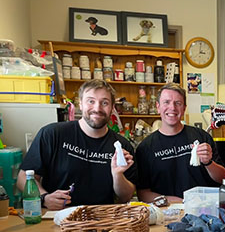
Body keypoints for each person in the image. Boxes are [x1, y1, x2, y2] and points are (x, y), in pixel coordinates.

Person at [17, 79, 137, 210]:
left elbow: (125, 197)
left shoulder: (122, 146)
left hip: (103, 220)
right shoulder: (52, 134)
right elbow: (23, 178)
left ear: (112, 108)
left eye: (104, 103)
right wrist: (44, 198)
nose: (97, 108)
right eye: (91, 101)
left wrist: (117, 174)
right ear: (80, 104)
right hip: (58, 219)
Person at [136, 83, 225, 203]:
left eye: (177, 103)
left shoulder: (201, 137)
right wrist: (171, 201)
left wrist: (208, 163)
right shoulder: (145, 148)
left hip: (204, 209)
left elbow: (222, 178)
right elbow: (142, 193)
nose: (172, 108)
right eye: (166, 102)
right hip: (167, 213)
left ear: (184, 108)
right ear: (158, 107)